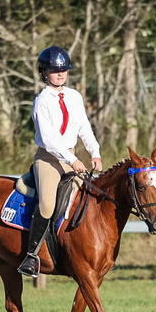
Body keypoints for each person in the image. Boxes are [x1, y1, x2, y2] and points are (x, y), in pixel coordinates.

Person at [18, 45, 103, 278]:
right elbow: (49, 139)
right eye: (54, 70)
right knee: (47, 204)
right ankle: (31, 255)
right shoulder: (42, 101)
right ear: (44, 72)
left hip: (71, 157)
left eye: (63, 69)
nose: (60, 74)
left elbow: (84, 128)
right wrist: (74, 159)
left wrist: (95, 153)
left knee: (88, 200)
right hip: (49, 160)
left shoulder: (74, 97)